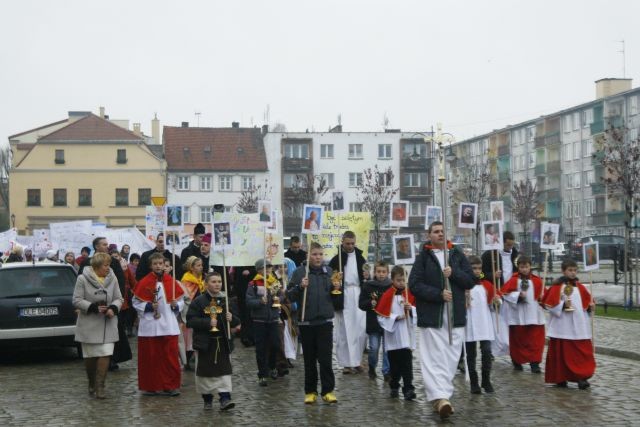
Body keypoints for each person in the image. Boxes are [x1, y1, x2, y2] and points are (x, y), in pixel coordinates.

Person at [408, 221, 474, 420]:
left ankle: (441, 395)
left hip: (455, 316)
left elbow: (471, 280)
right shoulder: (424, 258)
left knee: (451, 356)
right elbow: (414, 285)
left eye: (442, 231)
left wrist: (453, 273)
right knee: (432, 357)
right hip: (433, 316)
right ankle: (441, 398)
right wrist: (438, 294)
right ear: (429, 235)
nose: (439, 234)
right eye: (435, 232)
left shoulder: (456, 254)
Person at [287, 242, 343, 404]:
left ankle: (328, 390)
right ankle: (310, 391)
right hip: (307, 322)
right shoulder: (299, 273)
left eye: (320, 254)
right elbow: (289, 296)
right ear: (308, 255)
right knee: (309, 359)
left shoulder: (329, 272)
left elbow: (336, 298)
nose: (318, 257)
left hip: (325, 321)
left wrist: (337, 289)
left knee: (325, 359)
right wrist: (299, 286)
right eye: (314, 254)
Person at [72, 252, 123, 399]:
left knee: (105, 353)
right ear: (96, 266)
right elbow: (76, 300)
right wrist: (93, 307)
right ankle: (91, 382)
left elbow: (119, 298)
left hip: (108, 323)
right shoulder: (82, 278)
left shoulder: (112, 278)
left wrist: (113, 308)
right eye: (106, 265)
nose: (108, 268)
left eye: (109, 265)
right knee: (90, 358)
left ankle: (101, 386)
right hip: (89, 323)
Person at [133, 252, 185, 396]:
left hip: (168, 324)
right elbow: (135, 302)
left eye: (160, 263)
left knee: (170, 358)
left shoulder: (171, 282)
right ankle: (151, 386)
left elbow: (181, 301)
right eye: (155, 264)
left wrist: (176, 305)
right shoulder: (144, 282)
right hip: (151, 325)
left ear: (164, 265)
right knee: (151, 358)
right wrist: (149, 307)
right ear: (151, 266)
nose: (158, 266)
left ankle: (170, 386)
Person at [187, 271, 239, 411]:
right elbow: (190, 320)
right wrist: (207, 322)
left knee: (224, 373)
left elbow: (237, 321)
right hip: (205, 343)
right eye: (214, 282)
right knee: (206, 374)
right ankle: (207, 399)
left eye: (219, 282)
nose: (217, 284)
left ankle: (225, 399)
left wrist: (231, 318)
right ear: (206, 284)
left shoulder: (226, 300)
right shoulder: (199, 301)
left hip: (222, 342)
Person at [542, 259, 596, 389]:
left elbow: (586, 305)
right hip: (563, 326)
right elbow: (548, 305)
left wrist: (590, 306)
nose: (573, 273)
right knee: (561, 354)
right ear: (563, 271)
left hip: (579, 326)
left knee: (581, 354)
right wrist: (562, 305)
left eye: (575, 270)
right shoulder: (557, 287)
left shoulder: (581, 287)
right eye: (570, 270)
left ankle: (581, 377)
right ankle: (560, 377)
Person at [79, 237, 128, 370]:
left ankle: (111, 359)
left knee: (111, 336)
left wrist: (116, 304)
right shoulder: (87, 263)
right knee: (93, 337)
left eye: (107, 244)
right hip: (93, 307)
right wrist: (89, 305)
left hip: (110, 305)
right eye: (104, 244)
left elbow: (120, 282)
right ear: (96, 246)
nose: (107, 246)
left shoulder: (113, 262)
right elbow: (80, 289)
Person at [329, 230, 369, 374]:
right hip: (344, 294)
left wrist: (367, 276)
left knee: (360, 329)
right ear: (342, 243)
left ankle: (357, 361)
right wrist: (336, 281)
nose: (350, 246)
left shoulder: (360, 258)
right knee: (345, 329)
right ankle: (346, 363)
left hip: (358, 293)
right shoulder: (336, 259)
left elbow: (366, 276)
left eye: (352, 243)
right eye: (347, 244)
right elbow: (331, 279)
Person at [375, 266, 416, 400]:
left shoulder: (409, 294)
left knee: (407, 363)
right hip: (393, 335)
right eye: (398, 280)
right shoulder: (387, 295)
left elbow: (417, 312)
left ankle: (408, 388)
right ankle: (394, 385)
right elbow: (381, 316)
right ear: (392, 280)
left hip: (406, 335)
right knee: (395, 365)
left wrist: (411, 309)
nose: (401, 283)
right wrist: (395, 317)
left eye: (403, 280)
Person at [501, 255, 545, 373]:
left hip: (534, 315)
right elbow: (505, 294)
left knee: (535, 341)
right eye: (521, 267)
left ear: (530, 267)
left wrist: (542, 298)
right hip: (518, 315)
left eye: (526, 267)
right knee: (518, 340)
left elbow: (543, 296)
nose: (524, 269)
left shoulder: (537, 280)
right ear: (518, 267)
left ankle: (534, 363)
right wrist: (517, 296)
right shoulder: (513, 280)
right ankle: (517, 361)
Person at [246, 259, 285, 386]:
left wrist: (280, 297)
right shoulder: (253, 284)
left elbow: (282, 295)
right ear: (258, 270)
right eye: (265, 268)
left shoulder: (275, 282)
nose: (268, 270)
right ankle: (262, 374)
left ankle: (272, 366)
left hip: (273, 318)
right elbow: (249, 301)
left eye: (269, 267)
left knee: (275, 345)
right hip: (259, 320)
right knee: (261, 348)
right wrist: (259, 302)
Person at [465, 256, 500, 394]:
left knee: (486, 351)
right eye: (474, 268)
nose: (477, 271)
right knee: (471, 354)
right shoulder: (464, 285)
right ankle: (474, 382)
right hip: (470, 322)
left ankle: (486, 379)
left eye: (479, 268)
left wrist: (497, 301)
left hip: (484, 322)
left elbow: (492, 304)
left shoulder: (487, 284)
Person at [481, 230, 519, 357]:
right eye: (508, 245)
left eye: (512, 245)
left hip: (511, 294)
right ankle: (492, 349)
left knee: (511, 323)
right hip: (495, 293)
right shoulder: (489, 255)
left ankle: (512, 349)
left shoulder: (515, 255)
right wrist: (492, 275)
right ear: (501, 243)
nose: (510, 248)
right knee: (495, 323)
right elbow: (479, 274)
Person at [359, 261, 392, 380]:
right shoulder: (368, 286)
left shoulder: (391, 286)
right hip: (373, 322)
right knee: (373, 348)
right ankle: (372, 366)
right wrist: (370, 303)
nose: (381, 274)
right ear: (374, 272)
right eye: (379, 272)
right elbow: (361, 304)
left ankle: (386, 371)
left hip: (388, 323)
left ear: (387, 273)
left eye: (384, 272)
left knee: (387, 349)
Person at [181, 256, 205, 371]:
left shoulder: (201, 279)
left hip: (200, 311)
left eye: (201, 265)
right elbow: (187, 296)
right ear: (192, 267)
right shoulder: (186, 280)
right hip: (190, 311)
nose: (201, 267)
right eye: (198, 265)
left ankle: (197, 358)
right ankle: (186, 359)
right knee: (189, 337)